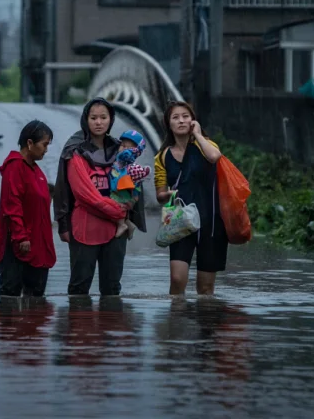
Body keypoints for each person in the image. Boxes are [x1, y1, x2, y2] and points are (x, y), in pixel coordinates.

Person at [52, 98, 147, 297]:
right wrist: (118, 210)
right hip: (85, 227)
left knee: (112, 289)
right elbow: (85, 195)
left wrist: (133, 201)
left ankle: (110, 327)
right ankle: (78, 327)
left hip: (116, 230)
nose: (98, 122)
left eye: (103, 117)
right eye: (93, 117)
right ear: (85, 120)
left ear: (111, 120)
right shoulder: (75, 150)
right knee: (79, 288)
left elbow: (132, 180)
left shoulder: (120, 149)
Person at [154, 101, 225, 296]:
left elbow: (215, 157)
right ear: (169, 124)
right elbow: (159, 195)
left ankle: (205, 324)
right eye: (175, 117)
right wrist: (166, 195)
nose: (181, 121)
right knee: (177, 280)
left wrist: (198, 135)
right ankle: (176, 322)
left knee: (205, 288)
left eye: (185, 116)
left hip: (211, 221)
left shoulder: (206, 145)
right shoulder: (162, 156)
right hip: (180, 221)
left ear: (193, 120)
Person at [0, 120, 56, 297]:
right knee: (11, 296)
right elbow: (12, 205)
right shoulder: (14, 168)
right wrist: (21, 237)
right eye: (44, 145)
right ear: (29, 143)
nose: (46, 150)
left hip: (37, 245)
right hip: (19, 245)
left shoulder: (37, 172)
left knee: (36, 300)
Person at [109, 130, 151, 240]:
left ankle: (122, 224)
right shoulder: (117, 162)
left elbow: (137, 184)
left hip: (123, 193)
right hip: (117, 189)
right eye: (122, 145)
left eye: (128, 148)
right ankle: (128, 224)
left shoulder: (130, 165)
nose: (123, 149)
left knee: (116, 205)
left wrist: (133, 198)